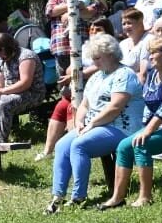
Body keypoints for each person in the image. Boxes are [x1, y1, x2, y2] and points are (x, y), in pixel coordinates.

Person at [44, 33, 144, 214]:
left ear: (111, 54)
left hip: (121, 127)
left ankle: (78, 197)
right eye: (93, 58)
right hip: (96, 125)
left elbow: (115, 107)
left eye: (97, 58)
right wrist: (80, 121)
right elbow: (84, 104)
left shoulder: (125, 74)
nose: (94, 62)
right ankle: (57, 196)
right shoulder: (97, 77)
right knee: (61, 145)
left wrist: (92, 124)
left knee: (79, 145)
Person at [100, 36, 162, 210]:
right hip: (161, 125)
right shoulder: (152, 74)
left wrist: (148, 131)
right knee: (123, 146)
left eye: (154, 52)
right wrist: (144, 127)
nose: (150, 57)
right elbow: (148, 104)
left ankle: (145, 197)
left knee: (141, 144)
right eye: (149, 53)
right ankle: (117, 197)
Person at [35, 18, 115, 162]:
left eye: (98, 30)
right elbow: (70, 67)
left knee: (73, 107)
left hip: (97, 90)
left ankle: (74, 148)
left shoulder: (110, 48)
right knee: (60, 106)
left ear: (107, 31)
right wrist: (73, 72)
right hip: (79, 86)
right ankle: (48, 150)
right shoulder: (84, 47)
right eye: (92, 29)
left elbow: (98, 66)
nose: (94, 32)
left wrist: (77, 74)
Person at [45, 0, 106, 76]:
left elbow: (93, 11)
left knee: (83, 78)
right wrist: (73, 3)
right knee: (64, 80)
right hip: (62, 48)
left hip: (82, 47)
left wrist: (70, 13)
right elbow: (51, 11)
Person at [0, 33, 47, 143]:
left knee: (4, 103)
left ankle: (0, 142)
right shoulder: (1, 60)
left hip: (32, 93)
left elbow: (25, 83)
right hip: (10, 92)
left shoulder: (26, 56)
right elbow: (0, 84)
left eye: (0, 51)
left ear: (8, 47)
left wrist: (2, 91)